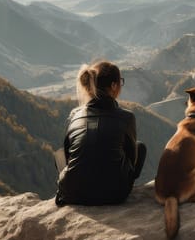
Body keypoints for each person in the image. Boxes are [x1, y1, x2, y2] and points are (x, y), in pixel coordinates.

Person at [54, 61, 146, 206]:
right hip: (115, 194)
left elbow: (68, 154)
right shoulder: (126, 117)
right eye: (120, 82)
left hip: (73, 194)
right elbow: (131, 157)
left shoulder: (75, 115)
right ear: (114, 85)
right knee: (140, 147)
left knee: (59, 154)